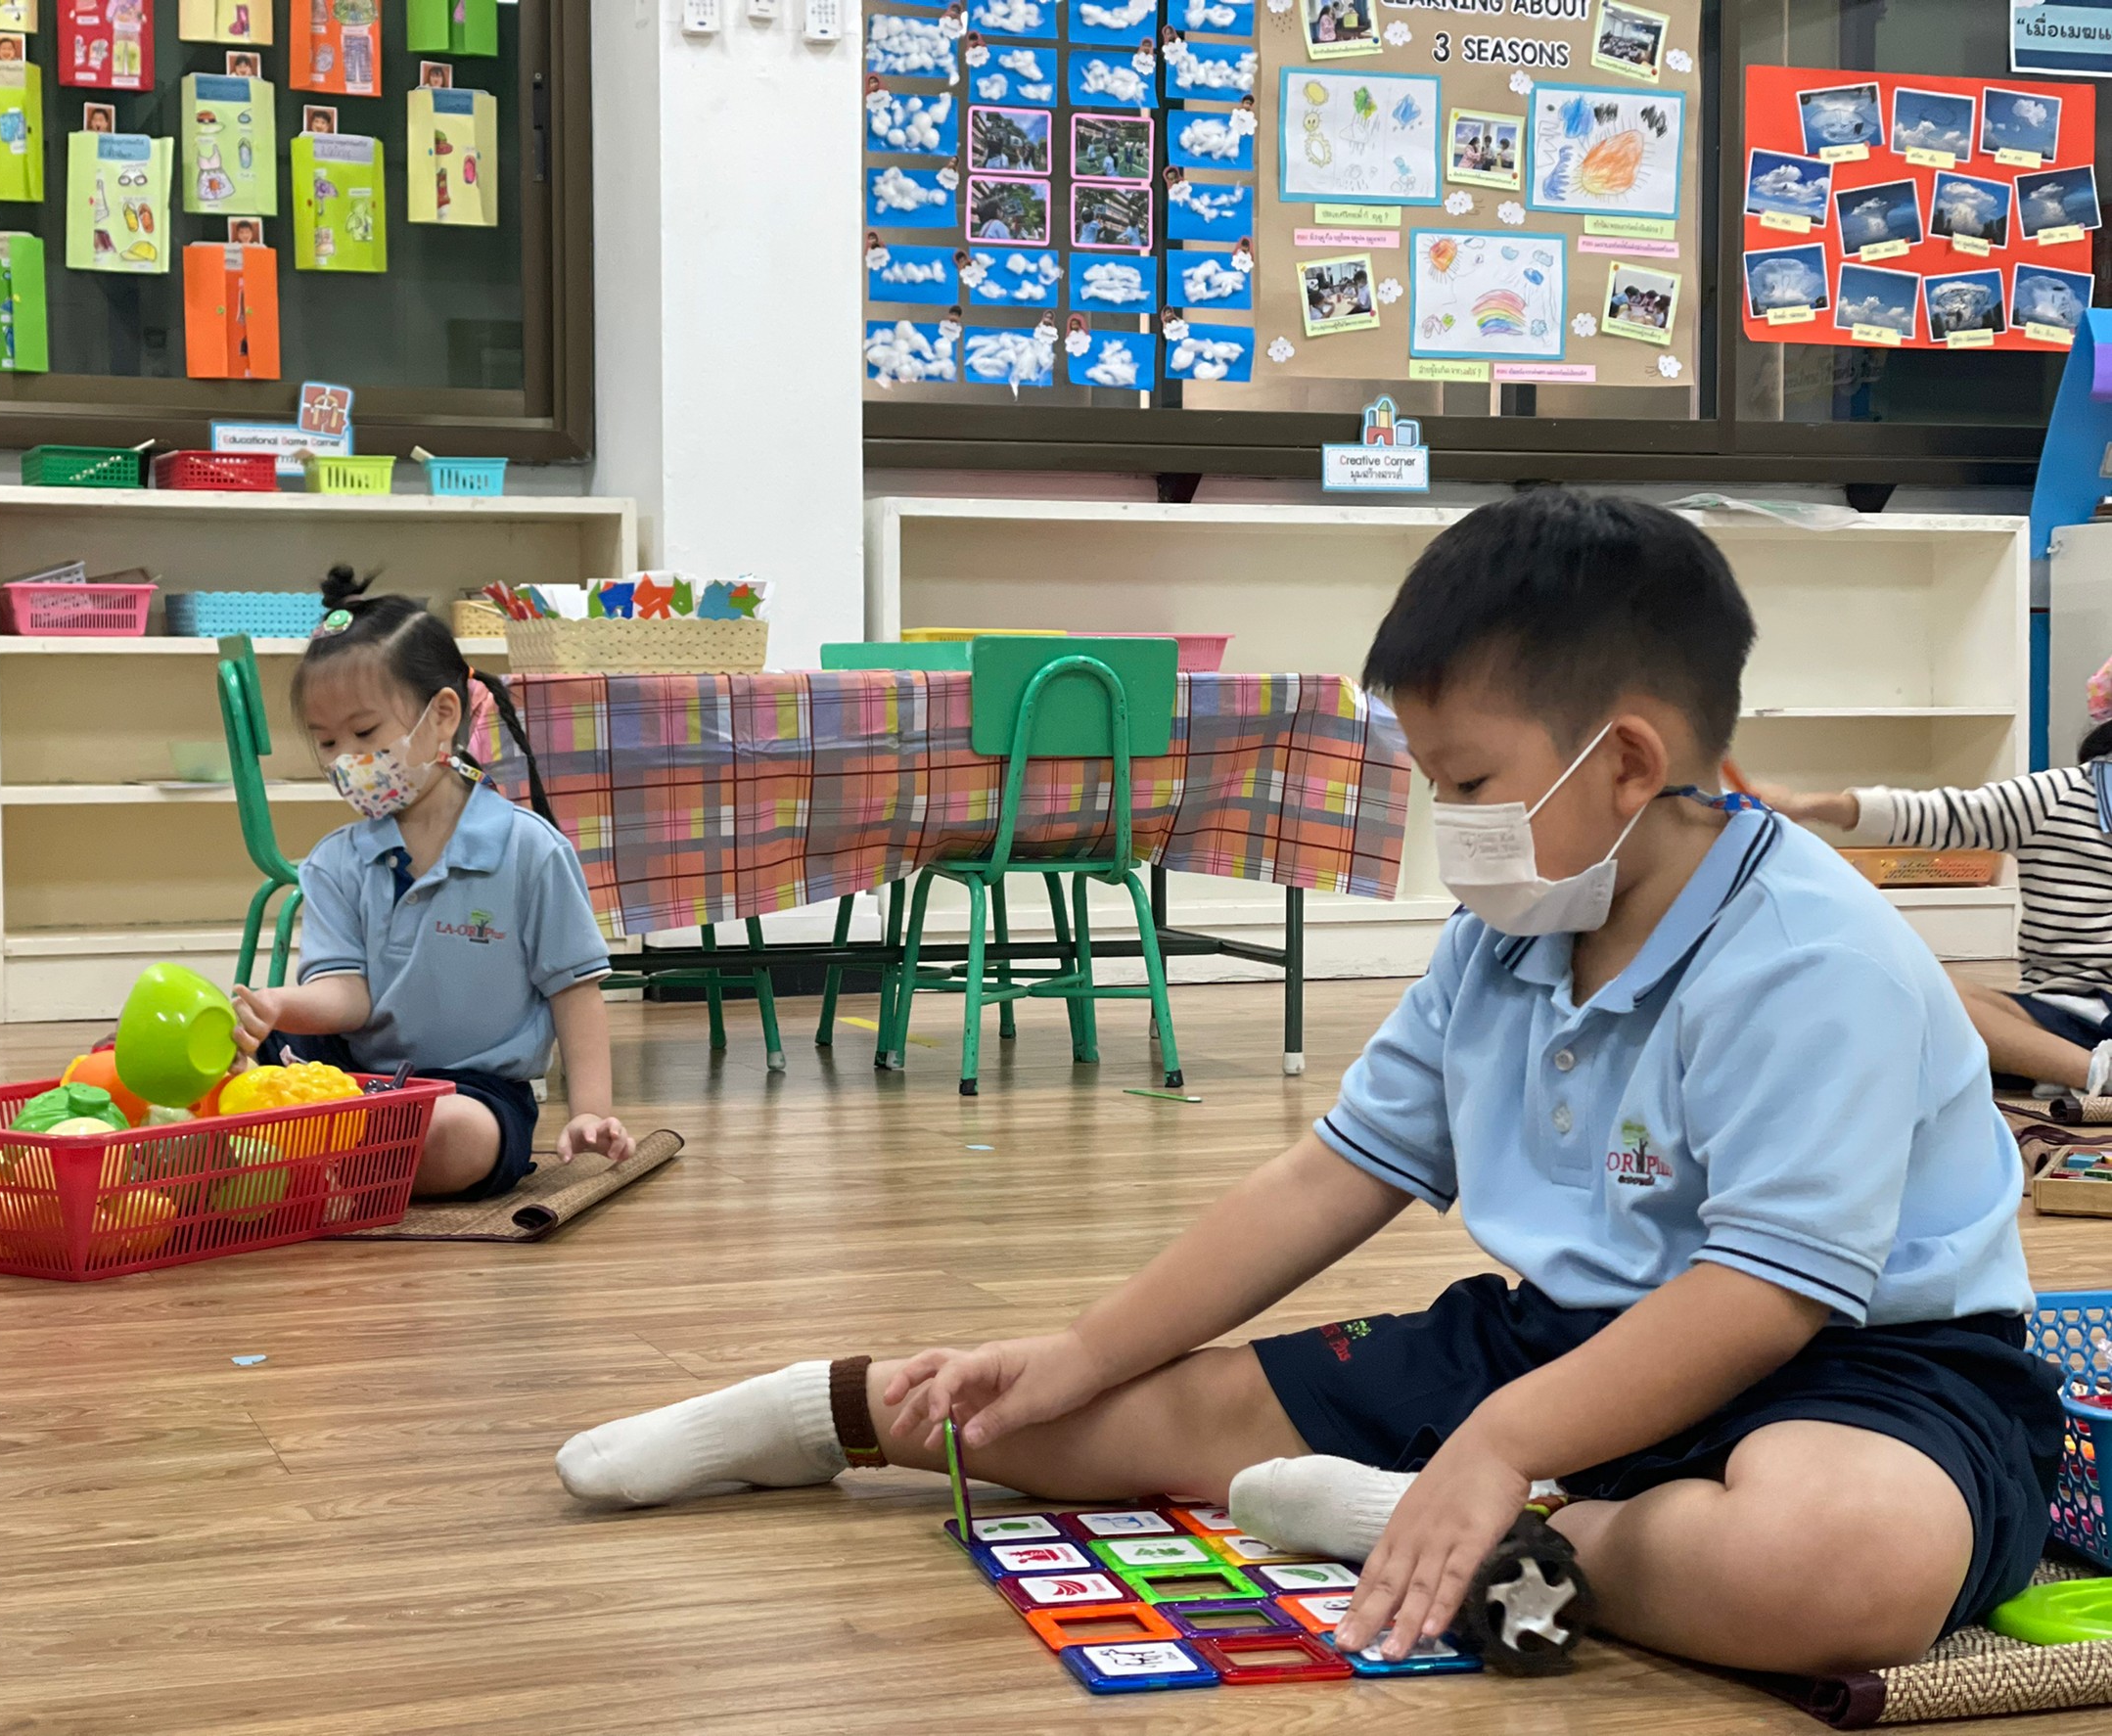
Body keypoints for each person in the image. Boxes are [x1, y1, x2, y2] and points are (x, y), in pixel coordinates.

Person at [555, 491, 2059, 1682]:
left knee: (1844, 1566)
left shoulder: (1814, 956)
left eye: (1469, 785)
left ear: (1624, 761)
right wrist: (1081, 1350)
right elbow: (1327, 1175)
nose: (1446, 823)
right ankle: (823, 1412)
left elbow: (1761, 1297)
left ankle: (1478, 1521)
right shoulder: (1512, 931)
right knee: (1123, 1411)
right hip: (1566, 1340)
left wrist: (1499, 1446)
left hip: (1865, 1367)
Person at [229, 571, 635, 1200]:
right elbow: (348, 996)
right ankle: (318, 1151)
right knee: (198, 1055)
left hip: (472, 1089)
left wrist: (589, 1111)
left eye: (365, 733)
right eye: (327, 742)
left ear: (444, 714)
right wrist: (274, 1006)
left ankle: (305, 1157)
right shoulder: (334, 861)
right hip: (347, 1075)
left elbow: (574, 992)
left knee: (450, 1133)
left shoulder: (529, 850)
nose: (344, 761)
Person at [1756, 702, 2112, 1099]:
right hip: (2059, 1011)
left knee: (1919, 1035)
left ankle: (2064, 1068)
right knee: (1905, 982)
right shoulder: (2058, 795)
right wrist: (1808, 806)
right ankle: (2080, 1068)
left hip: (2081, 1019)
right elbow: (1938, 814)